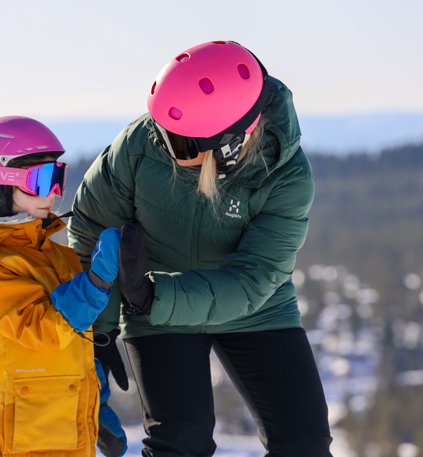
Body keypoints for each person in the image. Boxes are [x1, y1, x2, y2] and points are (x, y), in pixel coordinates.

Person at [68, 41, 334, 457]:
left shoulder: (285, 174)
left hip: (249, 307)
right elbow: (92, 231)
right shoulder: (140, 145)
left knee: (305, 442)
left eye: (178, 143)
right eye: (160, 130)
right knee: (180, 442)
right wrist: (99, 332)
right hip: (152, 303)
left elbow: (253, 280)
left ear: (229, 144)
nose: (162, 143)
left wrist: (155, 296)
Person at [0, 116, 127, 457]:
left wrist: (96, 400)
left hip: (68, 426)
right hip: (20, 433)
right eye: (41, 180)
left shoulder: (59, 257)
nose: (55, 192)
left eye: (56, 177)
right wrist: (96, 283)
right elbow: (47, 328)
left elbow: (75, 342)